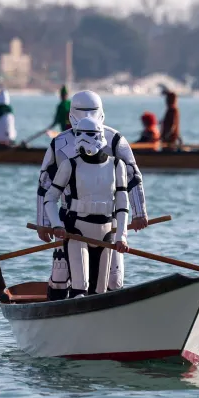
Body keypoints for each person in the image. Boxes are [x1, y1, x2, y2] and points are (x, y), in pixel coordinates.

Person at [36, 90, 149, 293]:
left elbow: (132, 177)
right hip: (69, 221)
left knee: (113, 279)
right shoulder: (59, 143)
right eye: (82, 111)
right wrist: (45, 222)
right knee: (61, 274)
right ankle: (58, 311)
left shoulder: (114, 140)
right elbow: (46, 184)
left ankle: (107, 312)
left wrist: (139, 213)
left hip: (108, 222)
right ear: (72, 115)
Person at [43, 117, 130, 299]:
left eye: (89, 134)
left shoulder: (117, 165)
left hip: (106, 232)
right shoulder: (70, 164)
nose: (83, 139)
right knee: (80, 289)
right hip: (77, 231)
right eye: (78, 134)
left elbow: (122, 206)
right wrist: (57, 225)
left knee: (99, 293)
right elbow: (50, 198)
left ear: (99, 136)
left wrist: (121, 236)